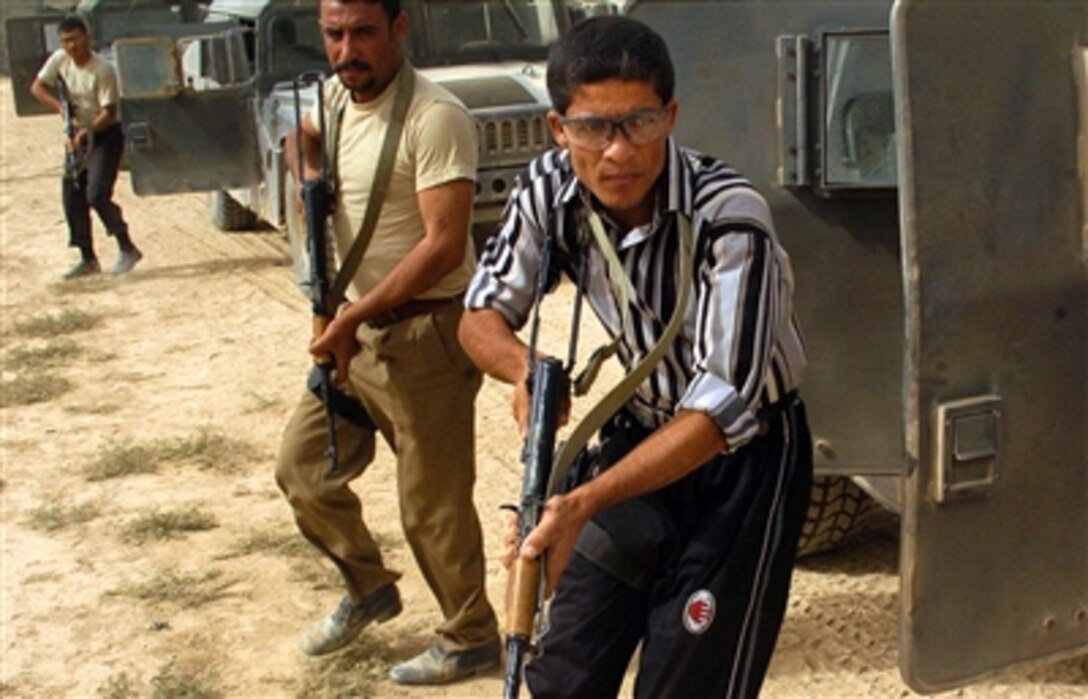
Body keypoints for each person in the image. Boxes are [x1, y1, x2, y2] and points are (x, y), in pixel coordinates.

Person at [459, 15, 813, 698]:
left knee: (685, 684)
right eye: (592, 127)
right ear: (558, 129)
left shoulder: (730, 218)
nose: (617, 152)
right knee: (561, 670)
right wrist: (523, 367)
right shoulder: (548, 190)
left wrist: (583, 501)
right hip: (641, 438)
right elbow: (479, 313)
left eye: (639, 124)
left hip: (744, 464)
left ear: (671, 116)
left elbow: (717, 415)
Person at [273, 0, 500, 686]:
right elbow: (299, 141)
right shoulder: (340, 103)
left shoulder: (435, 116)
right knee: (303, 467)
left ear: (399, 29)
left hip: (426, 336)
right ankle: (369, 586)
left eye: (364, 33)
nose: (348, 50)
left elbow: (443, 245)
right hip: (359, 338)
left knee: (431, 505)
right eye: (334, 34)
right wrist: (309, 175)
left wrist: (348, 318)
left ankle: (471, 636)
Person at [30, 14, 142, 280]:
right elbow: (37, 86)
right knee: (72, 194)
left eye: (75, 40)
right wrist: (61, 110)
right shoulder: (60, 60)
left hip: (105, 136)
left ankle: (127, 247)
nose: (71, 46)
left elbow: (108, 112)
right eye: (65, 41)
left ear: (87, 38)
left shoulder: (102, 70)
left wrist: (84, 133)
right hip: (77, 133)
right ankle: (87, 258)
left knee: (96, 194)